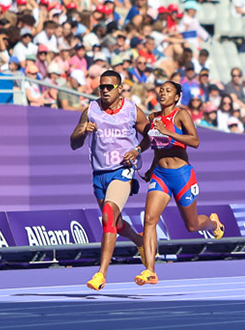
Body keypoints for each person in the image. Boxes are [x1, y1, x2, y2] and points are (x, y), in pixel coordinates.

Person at [135, 81, 224, 286]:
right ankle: (150, 270)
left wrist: (169, 132)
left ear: (176, 97)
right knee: (150, 220)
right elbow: (157, 147)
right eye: (161, 90)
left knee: (192, 225)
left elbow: (195, 141)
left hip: (182, 176)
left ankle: (213, 223)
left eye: (168, 91)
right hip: (160, 175)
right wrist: (151, 168)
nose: (163, 93)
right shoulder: (153, 117)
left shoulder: (181, 115)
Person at [70, 70, 148, 291]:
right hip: (99, 174)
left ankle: (101, 273)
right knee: (115, 222)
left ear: (119, 88)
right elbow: (74, 143)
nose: (104, 90)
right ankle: (140, 241)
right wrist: (83, 131)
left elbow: (150, 135)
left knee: (107, 216)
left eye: (109, 87)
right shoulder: (91, 110)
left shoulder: (132, 110)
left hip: (122, 171)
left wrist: (137, 150)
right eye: (101, 87)